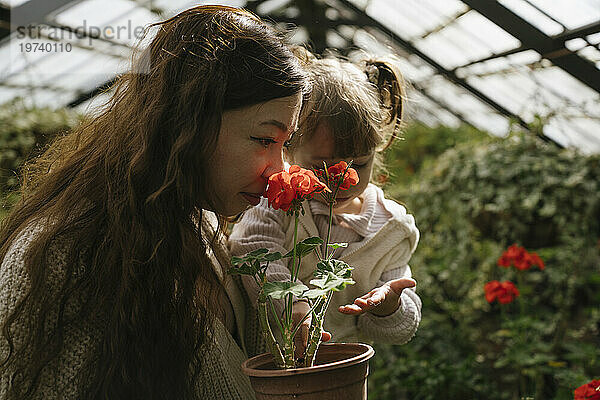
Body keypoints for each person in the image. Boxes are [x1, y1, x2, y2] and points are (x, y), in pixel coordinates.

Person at [0, 5, 310, 399]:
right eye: (265, 140)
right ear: (188, 123)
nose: (277, 170)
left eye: (286, 144)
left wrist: (285, 321)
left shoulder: (201, 227)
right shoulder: (60, 256)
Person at [229, 52, 421, 357]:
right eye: (323, 167)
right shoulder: (282, 199)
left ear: (377, 149)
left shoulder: (391, 229)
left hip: (342, 373)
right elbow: (249, 246)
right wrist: (290, 303)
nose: (342, 178)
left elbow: (400, 330)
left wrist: (389, 307)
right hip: (272, 367)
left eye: (360, 162)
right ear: (289, 151)